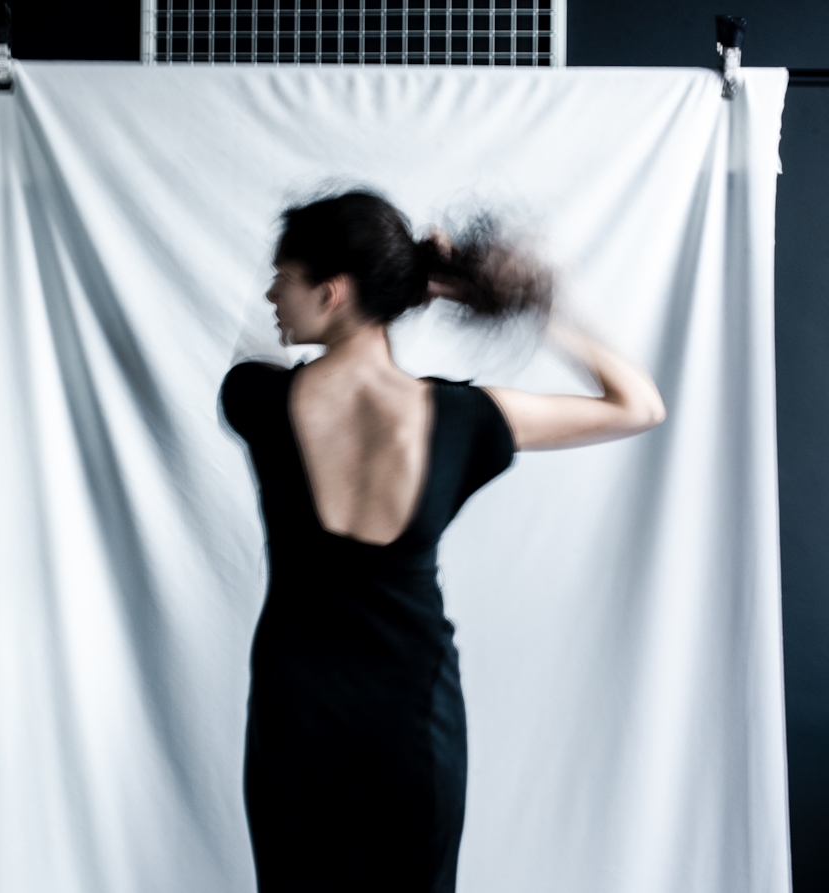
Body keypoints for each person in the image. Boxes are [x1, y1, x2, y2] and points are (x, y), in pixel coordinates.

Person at [220, 191, 665, 893]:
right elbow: (637, 402)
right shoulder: (462, 417)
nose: (272, 290)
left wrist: (398, 285)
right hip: (413, 721)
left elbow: (252, 350)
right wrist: (524, 302)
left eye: (284, 274)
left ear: (332, 292)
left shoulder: (258, 401)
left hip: (295, 723)